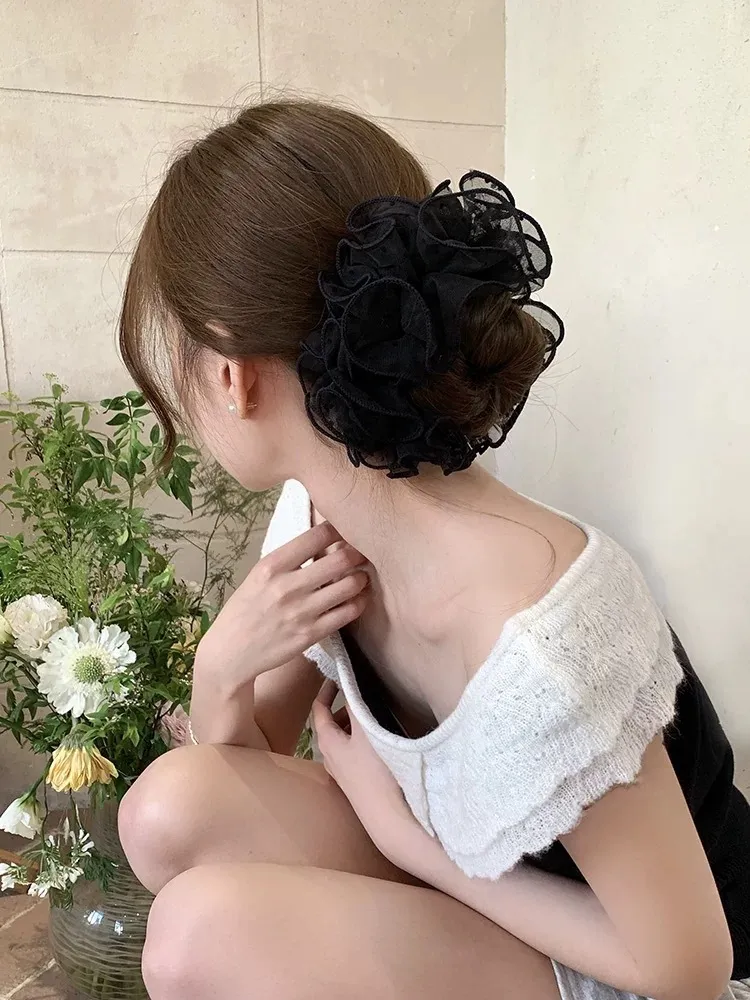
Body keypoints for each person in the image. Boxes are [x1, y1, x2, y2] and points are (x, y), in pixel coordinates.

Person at [116, 99, 750, 1000]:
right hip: (504, 895)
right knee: (167, 810)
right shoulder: (329, 511)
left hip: (655, 965)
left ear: (229, 375)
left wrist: (407, 841)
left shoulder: (539, 635)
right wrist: (221, 671)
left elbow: (689, 968)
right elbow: (238, 779)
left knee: (197, 937)